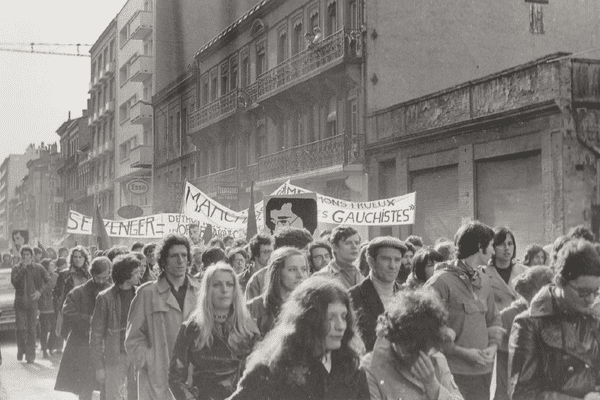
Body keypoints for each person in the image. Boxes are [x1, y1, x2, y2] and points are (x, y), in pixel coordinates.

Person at [229, 277, 370, 400]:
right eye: (329, 317)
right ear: (307, 320)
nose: (341, 326)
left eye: (344, 316)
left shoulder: (352, 369)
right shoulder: (270, 370)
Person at [509, 240, 600, 399]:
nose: (591, 299)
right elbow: (521, 394)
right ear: (559, 282)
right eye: (584, 292)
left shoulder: (593, 318)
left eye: (596, 291)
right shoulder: (529, 324)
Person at [425, 221, 503, 400]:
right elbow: (429, 329)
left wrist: (492, 347)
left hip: (483, 372)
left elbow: (493, 319)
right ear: (479, 246)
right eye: (491, 245)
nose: (493, 251)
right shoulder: (440, 282)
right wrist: (464, 354)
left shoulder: (483, 280)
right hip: (453, 374)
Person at [125, 234, 201, 400]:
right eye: (174, 256)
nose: (180, 260)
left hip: (193, 380)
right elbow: (133, 339)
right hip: (157, 381)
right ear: (163, 260)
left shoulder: (201, 292)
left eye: (184, 255)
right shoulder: (147, 294)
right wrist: (152, 362)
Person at [168, 263, 260, 400]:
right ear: (207, 289)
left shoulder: (249, 327)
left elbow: (259, 376)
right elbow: (176, 377)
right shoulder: (192, 328)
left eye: (230, 284)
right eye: (217, 285)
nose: (224, 290)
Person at [362, 289, 463, 400]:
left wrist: (432, 386)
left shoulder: (437, 359)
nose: (418, 358)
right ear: (394, 339)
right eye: (411, 350)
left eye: (424, 349)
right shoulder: (371, 368)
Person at [55, 256, 111, 400]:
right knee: (84, 388)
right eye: (98, 277)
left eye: (105, 277)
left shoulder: (112, 292)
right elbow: (67, 313)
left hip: (105, 345)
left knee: (108, 386)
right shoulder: (78, 293)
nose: (102, 281)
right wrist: (90, 320)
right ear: (92, 274)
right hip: (82, 345)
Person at [494, 266, 554, 400]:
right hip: (511, 379)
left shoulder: (548, 312)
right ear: (536, 290)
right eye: (548, 287)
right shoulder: (510, 315)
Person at [91, 254, 142, 400]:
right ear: (126, 275)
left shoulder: (141, 294)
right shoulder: (105, 297)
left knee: (137, 396)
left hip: (137, 355)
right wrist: (99, 366)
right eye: (136, 272)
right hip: (115, 356)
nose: (140, 275)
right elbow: (96, 335)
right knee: (113, 396)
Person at [350, 237, 407, 352]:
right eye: (386, 259)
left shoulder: (407, 296)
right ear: (371, 262)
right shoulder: (352, 297)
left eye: (397, 260)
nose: (393, 266)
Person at [246, 247, 309, 336]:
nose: (300, 275)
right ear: (277, 273)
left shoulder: (311, 307)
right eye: (292, 269)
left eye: (304, 269)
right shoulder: (253, 309)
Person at [245, 227, 313, 301]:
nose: (309, 254)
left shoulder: (311, 274)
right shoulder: (258, 280)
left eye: (304, 269)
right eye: (306, 250)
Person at [11, 245, 50, 363]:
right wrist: (23, 268)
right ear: (20, 256)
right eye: (23, 255)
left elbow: (49, 280)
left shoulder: (38, 268)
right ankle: (21, 348)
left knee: (32, 329)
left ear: (32, 256)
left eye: (27, 255)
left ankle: (30, 355)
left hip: (33, 303)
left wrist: (40, 292)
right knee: (20, 328)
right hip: (20, 304)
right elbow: (15, 282)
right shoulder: (16, 268)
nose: (25, 257)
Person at [485, 227, 527, 313]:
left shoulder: (525, 272)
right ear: (493, 247)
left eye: (510, 243)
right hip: (496, 322)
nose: (506, 248)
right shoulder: (484, 273)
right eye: (501, 244)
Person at [313, 225, 364, 289]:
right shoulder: (322, 277)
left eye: (357, 243)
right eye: (348, 243)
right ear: (334, 247)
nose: (354, 247)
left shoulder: (361, 274)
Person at [55, 246, 93, 319]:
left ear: (85, 258)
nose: (77, 259)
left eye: (80, 257)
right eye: (75, 257)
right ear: (72, 259)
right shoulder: (64, 274)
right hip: (68, 310)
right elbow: (58, 295)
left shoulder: (89, 275)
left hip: (85, 311)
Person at [39, 258, 59, 358]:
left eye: (53, 265)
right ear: (46, 267)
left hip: (54, 305)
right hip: (44, 305)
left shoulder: (56, 275)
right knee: (44, 329)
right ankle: (44, 349)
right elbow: (47, 287)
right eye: (51, 265)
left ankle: (50, 346)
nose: (53, 267)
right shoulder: (41, 277)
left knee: (54, 327)